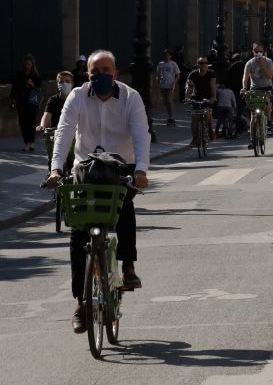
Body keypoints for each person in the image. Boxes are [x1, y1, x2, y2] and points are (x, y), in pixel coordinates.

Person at [46, 50, 150, 333]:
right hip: (87, 168)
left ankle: (127, 266)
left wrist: (140, 169)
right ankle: (81, 302)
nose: (101, 75)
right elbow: (64, 131)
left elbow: (141, 133)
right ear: (87, 74)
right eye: (95, 71)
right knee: (79, 230)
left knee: (124, 205)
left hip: (120, 166)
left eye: (106, 70)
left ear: (115, 73)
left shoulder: (131, 97)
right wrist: (56, 168)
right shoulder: (78, 96)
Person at [242, 43, 273, 147]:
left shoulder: (268, 61)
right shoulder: (249, 63)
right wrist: (244, 88)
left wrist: (262, 65)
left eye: (260, 51)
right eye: (256, 51)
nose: (258, 53)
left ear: (263, 52)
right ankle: (252, 139)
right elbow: (245, 77)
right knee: (254, 114)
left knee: (267, 102)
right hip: (254, 88)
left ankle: (269, 120)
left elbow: (269, 75)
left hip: (266, 87)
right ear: (252, 51)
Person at [10, 54, 43, 151]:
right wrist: (12, 100)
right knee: (23, 122)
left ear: (32, 65)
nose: (27, 66)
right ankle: (26, 142)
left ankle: (31, 142)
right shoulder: (20, 75)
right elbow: (14, 88)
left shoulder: (36, 76)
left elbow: (40, 90)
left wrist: (32, 85)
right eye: (26, 64)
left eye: (29, 64)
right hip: (21, 102)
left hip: (32, 102)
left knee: (31, 122)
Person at [185, 57, 217, 145]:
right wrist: (187, 97)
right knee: (194, 117)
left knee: (208, 113)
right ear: (198, 64)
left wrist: (213, 97)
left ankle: (210, 129)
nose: (203, 65)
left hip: (208, 97)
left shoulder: (211, 73)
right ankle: (195, 138)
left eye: (205, 63)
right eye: (201, 63)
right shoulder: (193, 74)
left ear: (207, 64)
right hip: (196, 97)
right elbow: (189, 87)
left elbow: (213, 85)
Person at [156, 49, 181, 126]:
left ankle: (172, 117)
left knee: (169, 100)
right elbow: (159, 74)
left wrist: (174, 82)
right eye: (165, 55)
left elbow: (178, 75)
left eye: (168, 55)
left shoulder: (173, 64)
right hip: (163, 85)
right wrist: (158, 82)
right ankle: (169, 116)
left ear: (170, 56)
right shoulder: (160, 64)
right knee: (166, 101)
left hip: (170, 85)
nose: (166, 57)